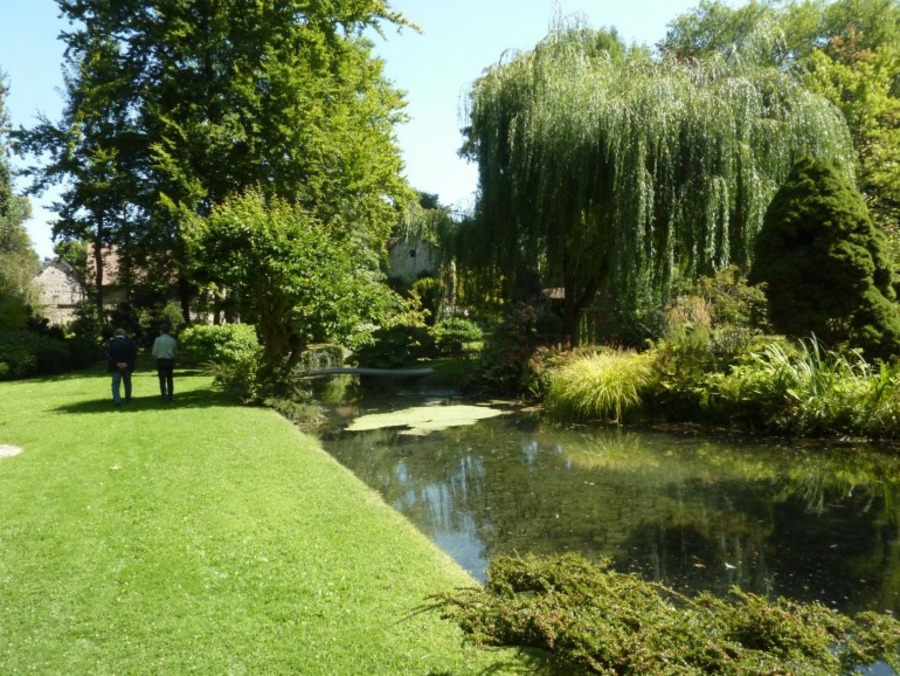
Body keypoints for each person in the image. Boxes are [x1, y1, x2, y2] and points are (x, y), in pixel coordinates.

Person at [106, 328, 137, 406]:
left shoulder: (111, 343)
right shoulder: (130, 342)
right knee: (127, 383)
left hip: (116, 367)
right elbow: (134, 355)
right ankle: (128, 399)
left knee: (115, 384)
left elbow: (108, 355)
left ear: (115, 334)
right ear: (124, 334)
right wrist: (126, 363)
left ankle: (117, 400)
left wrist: (117, 363)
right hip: (127, 366)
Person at [152, 323, 178, 401]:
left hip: (161, 360)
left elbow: (154, 352)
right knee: (170, 379)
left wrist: (155, 361)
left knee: (162, 380)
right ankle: (170, 396)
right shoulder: (172, 340)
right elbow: (175, 352)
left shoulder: (158, 340)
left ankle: (164, 396)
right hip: (170, 360)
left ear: (162, 330)